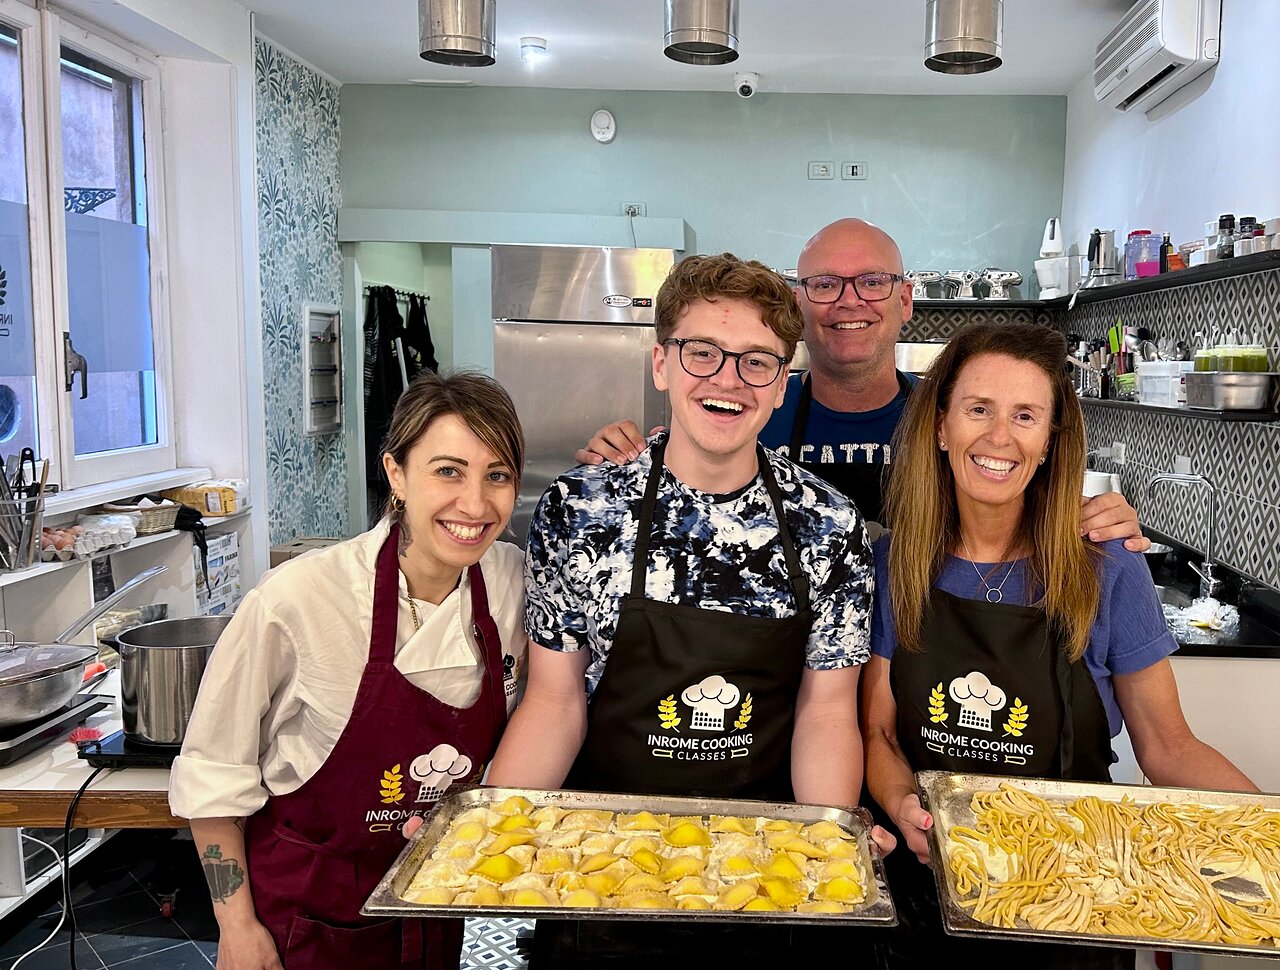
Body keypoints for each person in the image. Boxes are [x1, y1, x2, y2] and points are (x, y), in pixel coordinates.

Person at [485, 253, 880, 967]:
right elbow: (554, 699)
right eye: (703, 352)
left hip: (762, 873)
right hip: (601, 867)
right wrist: (492, 831)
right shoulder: (581, 510)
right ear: (661, 363)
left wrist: (824, 845)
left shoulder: (828, 524)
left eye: (756, 361)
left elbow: (826, 712)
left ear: (781, 384)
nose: (727, 379)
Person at [861, 321, 1258, 969]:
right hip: (928, 894)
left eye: (1025, 415)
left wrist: (1267, 832)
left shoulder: (1106, 565)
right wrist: (904, 803)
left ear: (1049, 441)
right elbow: (878, 732)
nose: (1000, 437)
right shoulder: (892, 565)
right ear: (940, 427)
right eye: (979, 409)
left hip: (1075, 901)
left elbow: (1168, 746)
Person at [170, 370, 528, 970]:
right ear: (396, 474)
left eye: (497, 476)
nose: (474, 504)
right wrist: (236, 927)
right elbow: (213, 773)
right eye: (448, 471)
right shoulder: (298, 599)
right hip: (308, 920)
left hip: (434, 908)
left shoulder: (513, 582)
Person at [576, 218, 1148, 547]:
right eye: (825, 284)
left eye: (872, 282)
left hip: (915, 668)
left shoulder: (958, 423)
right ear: (799, 304)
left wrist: (1089, 520)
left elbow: (1022, 513)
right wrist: (625, 457)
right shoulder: (747, 406)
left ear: (905, 300)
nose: (849, 301)